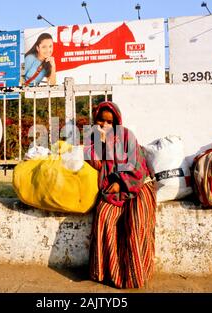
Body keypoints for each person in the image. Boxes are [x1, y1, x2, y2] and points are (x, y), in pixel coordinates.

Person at [84, 101, 157, 289]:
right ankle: (107, 273)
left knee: (136, 221)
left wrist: (120, 183)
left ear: (116, 122)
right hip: (111, 190)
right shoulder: (91, 140)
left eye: (109, 121)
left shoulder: (126, 136)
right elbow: (97, 163)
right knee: (104, 217)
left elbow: (137, 167)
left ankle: (134, 275)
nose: (104, 125)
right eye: (100, 120)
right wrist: (100, 143)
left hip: (137, 185)